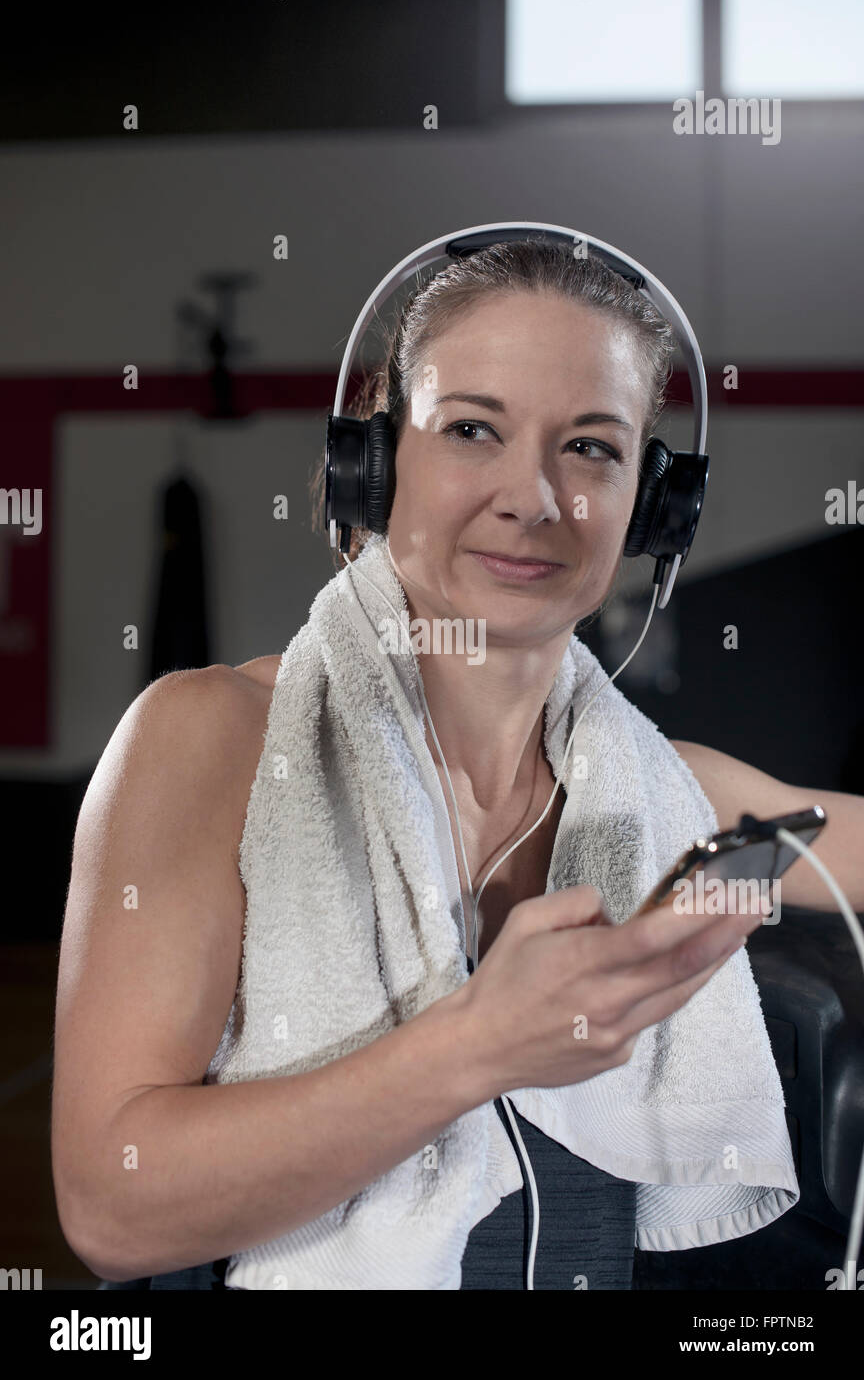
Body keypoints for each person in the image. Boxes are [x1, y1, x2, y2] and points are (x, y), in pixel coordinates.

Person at [52, 240, 863, 1291]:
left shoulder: (673, 796)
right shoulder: (209, 742)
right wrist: (479, 1045)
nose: (534, 496)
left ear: (653, 508)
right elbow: (111, 1207)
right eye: (473, 428)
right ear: (376, 460)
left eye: (592, 448)